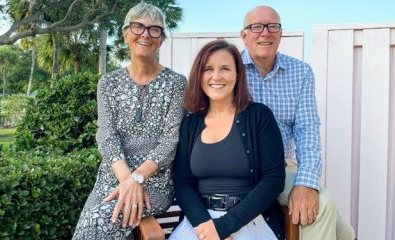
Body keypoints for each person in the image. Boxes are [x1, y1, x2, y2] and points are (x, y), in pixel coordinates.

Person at [240, 5, 356, 240]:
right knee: (324, 204)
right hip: (245, 168)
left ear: (281, 34)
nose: (265, 32)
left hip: (283, 167)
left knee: (345, 233)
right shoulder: (230, 69)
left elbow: (307, 130)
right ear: (244, 35)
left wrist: (306, 182)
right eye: (256, 27)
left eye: (273, 26)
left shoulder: (300, 72)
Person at [72, 2, 186, 239]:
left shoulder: (177, 83)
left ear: (161, 39)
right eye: (138, 27)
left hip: (154, 182)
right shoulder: (108, 83)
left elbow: (170, 141)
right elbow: (106, 136)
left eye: (154, 29)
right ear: (125, 34)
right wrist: (127, 179)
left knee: (98, 223)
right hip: (112, 176)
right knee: (86, 227)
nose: (145, 34)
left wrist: (138, 179)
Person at [170, 40, 286, 240]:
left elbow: (273, 180)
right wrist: (207, 229)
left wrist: (223, 227)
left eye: (225, 68)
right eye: (208, 69)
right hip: (200, 224)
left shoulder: (259, 116)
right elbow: (182, 183)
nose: (216, 76)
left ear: (238, 75)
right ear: (199, 75)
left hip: (249, 221)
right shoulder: (190, 124)